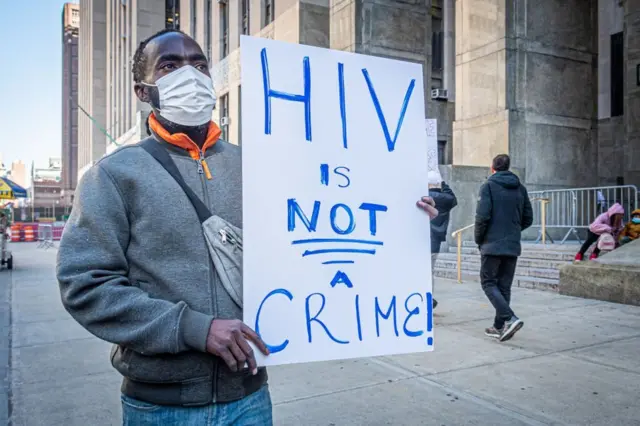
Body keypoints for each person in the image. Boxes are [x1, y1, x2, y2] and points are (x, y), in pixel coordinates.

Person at [57, 29, 440, 425]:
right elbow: (86, 284)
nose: (190, 75)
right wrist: (192, 328)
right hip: (160, 406)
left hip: (250, 398)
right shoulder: (114, 176)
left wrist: (401, 217)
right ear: (143, 91)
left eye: (199, 64)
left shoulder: (258, 165)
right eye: (170, 66)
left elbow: (317, 229)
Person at [474, 154, 533, 342]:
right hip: (512, 245)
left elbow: (482, 217)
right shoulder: (520, 189)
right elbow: (528, 218)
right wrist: (513, 231)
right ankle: (499, 327)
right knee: (504, 286)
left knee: (488, 283)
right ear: (508, 167)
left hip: (491, 244)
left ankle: (509, 318)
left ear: (492, 167)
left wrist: (479, 239)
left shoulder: (488, 186)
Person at [428, 170, 457, 309]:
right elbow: (453, 197)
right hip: (435, 242)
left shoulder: (423, 196)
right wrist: (442, 182)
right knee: (430, 271)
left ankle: (427, 298)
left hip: (422, 240)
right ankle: (429, 297)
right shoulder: (447, 199)